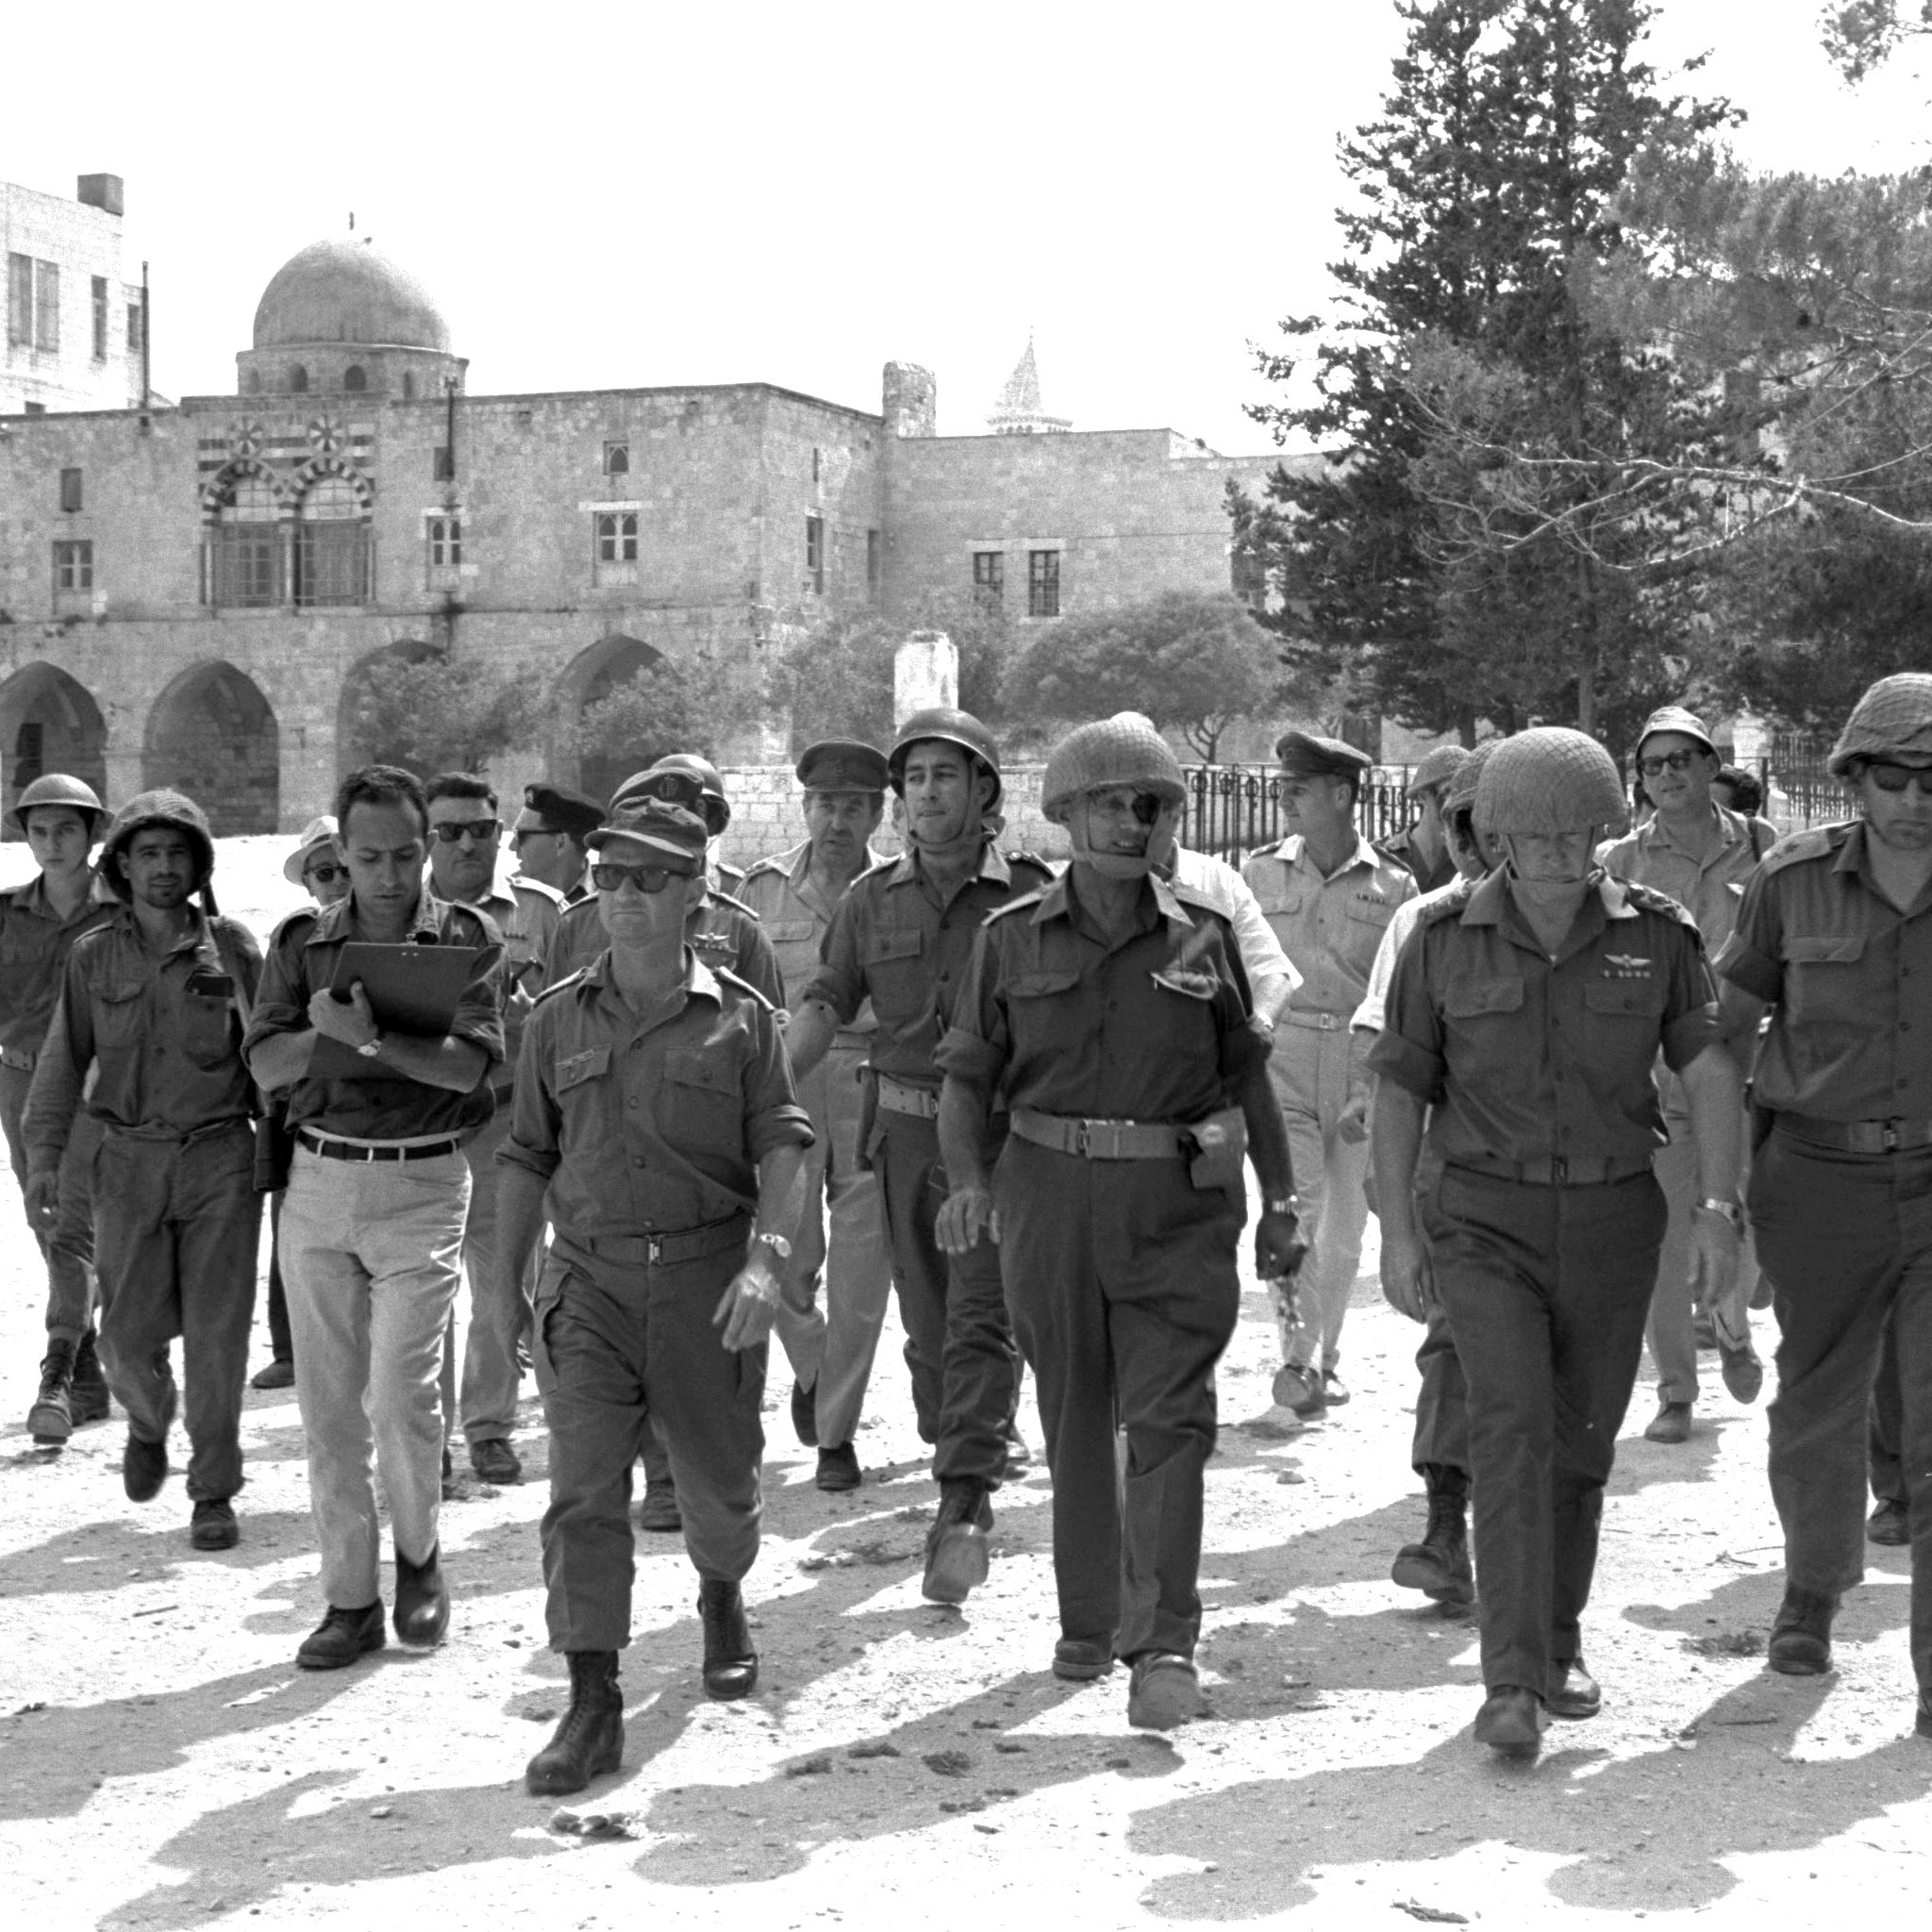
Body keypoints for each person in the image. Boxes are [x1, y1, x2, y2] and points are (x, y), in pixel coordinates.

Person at [1371, 727, 1742, 1758]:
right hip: (1484, 1221)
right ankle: (1509, 1677)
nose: (1550, 851)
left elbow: (1709, 1069)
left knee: (1580, 1444)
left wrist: (1719, 1209)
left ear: (1600, 831)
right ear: (1493, 834)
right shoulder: (1439, 938)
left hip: (1614, 1218)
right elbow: (1398, 1088)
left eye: (1571, 831)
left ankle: (1558, 1643)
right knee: (1510, 1429)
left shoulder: (1656, 935)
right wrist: (1398, 1231)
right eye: (1528, 833)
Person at [934, 713, 1305, 1728]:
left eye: (1148, 804)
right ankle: (1089, 1620)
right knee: (1074, 1413)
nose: (1130, 820)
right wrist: (966, 1181)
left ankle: (1164, 1641)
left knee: (1172, 1419)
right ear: (1064, 814)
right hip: (1047, 1199)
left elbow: (1246, 1080)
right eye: (1107, 802)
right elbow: (965, 1079)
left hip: (1175, 1208)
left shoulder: (1204, 937)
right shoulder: (1008, 939)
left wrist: (1281, 1202)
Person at [495, 800, 812, 1795]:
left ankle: (721, 1591)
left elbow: (785, 1145)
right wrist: (502, 1290)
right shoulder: (556, 1018)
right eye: (609, 876)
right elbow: (525, 1155)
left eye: (650, 877)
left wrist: (768, 1263)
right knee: (582, 1491)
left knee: (718, 1490)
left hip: (706, 1284)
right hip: (587, 1281)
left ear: (694, 892)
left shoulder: (743, 1020)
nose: (624, 895)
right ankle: (592, 1698)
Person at [787, 708, 1052, 1605]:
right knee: (932, 1328)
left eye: (946, 774)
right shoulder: (870, 901)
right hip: (901, 1138)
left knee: (982, 1313)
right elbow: (825, 1002)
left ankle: (963, 1501)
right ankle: (959, 1439)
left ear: (985, 791)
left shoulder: (1032, 894)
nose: (927, 792)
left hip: (998, 1141)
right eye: (916, 778)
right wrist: (763, 1089)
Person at [244, 764, 506, 1671]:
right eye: (367, 859)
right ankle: (349, 1601)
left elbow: (469, 1068)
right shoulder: (300, 944)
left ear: (426, 847)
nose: (388, 877)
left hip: (423, 1182)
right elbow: (266, 1066)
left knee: (401, 1397)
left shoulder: (466, 938)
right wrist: (331, 1035)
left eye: (403, 855)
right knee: (328, 1413)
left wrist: (370, 1039)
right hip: (319, 1181)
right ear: (342, 855)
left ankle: (420, 1559)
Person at [1712, 673, 1932, 1739]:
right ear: (1854, 778)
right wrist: (1722, 1191)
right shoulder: (1790, 881)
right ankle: (1811, 1589)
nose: (1917, 798)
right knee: (1815, 1404)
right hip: (1818, 1178)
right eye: (1895, 777)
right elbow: (1723, 1028)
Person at [24, 790, 264, 1551]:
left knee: (219, 1338)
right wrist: (43, 1159)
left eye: (177, 853)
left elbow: (268, 1059)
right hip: (126, 1162)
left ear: (199, 865)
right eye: (148, 854)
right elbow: (63, 1063)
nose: (164, 868)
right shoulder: (94, 956)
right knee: (125, 1340)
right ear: (123, 867)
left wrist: (283, 1160)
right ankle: (149, 1420)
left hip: (221, 1160)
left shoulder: (232, 950)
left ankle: (213, 1491)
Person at [1352, 739, 1502, 1607]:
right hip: (1459, 1182)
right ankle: (1447, 1527)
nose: (1486, 843)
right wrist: (1394, 1199)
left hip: (1577, 1187)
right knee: (1452, 1347)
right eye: (1468, 823)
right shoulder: (1424, 924)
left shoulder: (1609, 920)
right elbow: (1387, 1057)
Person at [1600, 706, 1776, 1443]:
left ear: (1710, 766)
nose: (1667, 775)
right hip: (1661, 1077)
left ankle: (1732, 1327)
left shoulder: (1763, 847)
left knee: (1748, 1216)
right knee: (1663, 1240)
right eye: (1653, 765)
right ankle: (1676, 1390)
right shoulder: (1619, 862)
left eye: (1681, 760)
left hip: (1748, 1070)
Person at [737, 739, 896, 1490]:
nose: (839, 821)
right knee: (788, 1260)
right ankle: (814, 1371)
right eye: (827, 804)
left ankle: (836, 1435)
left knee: (862, 1275)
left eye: (855, 807)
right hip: (789, 1084)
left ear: (877, 815)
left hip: (871, 1084)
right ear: (805, 808)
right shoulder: (761, 892)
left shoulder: (898, 889)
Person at [1243, 730, 1417, 1416]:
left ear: (1342, 795)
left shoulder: (1395, 885)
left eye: (1301, 787)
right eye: (1284, 786)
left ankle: (1327, 1358)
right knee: (1294, 1212)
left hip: (1358, 1062)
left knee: (1344, 1234)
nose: (1285, 797)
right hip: (1283, 1057)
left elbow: (1402, 988)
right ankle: (1296, 1357)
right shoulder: (1259, 873)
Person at [423, 772, 563, 1487]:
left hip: (508, 1119)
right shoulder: (399, 912)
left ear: (501, 835)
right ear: (426, 839)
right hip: (421, 1125)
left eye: (481, 830)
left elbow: (574, 1013)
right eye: (449, 832)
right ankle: (429, 1437)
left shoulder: (542, 912)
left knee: (503, 1280)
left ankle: (489, 1428)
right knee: (424, 1289)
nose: (467, 844)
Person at [3, 774, 116, 1445]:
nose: (52, 844)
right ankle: (89, 1366)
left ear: (93, 833)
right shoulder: (6, 914)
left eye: (67, 830)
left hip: (98, 1091)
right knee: (45, 1219)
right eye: (40, 831)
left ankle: (60, 1372)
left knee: (72, 1223)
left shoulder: (123, 912)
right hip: (19, 1084)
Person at [250, 817, 351, 1393]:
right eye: (324, 872)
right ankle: (290, 1350)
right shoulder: (296, 939)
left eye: (344, 868)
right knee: (290, 1231)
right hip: (303, 1104)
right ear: (309, 883)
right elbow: (270, 1028)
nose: (336, 881)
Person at [621, 753, 746, 893]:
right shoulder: (620, 884)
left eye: (689, 815)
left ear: (711, 821)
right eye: (662, 816)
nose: (676, 827)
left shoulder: (735, 887)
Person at [1376, 743, 1472, 895]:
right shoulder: (1385, 857)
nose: (1458, 802)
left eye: (1465, 793)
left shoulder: (1470, 860)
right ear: (1422, 797)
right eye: (1448, 792)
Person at [512, 781, 603, 904]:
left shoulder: (609, 899)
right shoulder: (508, 898)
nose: (512, 846)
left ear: (561, 843)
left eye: (521, 836)